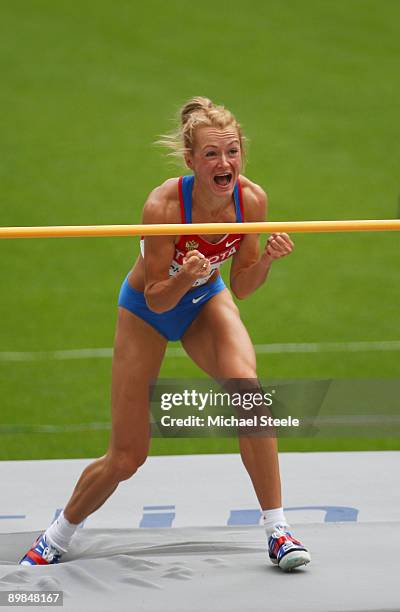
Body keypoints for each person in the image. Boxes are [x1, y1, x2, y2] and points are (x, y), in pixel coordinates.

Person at [20, 97, 310, 572]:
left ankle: (278, 531)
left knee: (250, 394)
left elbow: (241, 285)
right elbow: (157, 296)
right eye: (213, 154)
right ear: (191, 160)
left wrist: (269, 262)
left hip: (205, 300)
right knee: (127, 456)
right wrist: (183, 275)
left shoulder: (251, 201)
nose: (225, 164)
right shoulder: (163, 206)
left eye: (232, 152)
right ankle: (58, 534)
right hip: (149, 309)